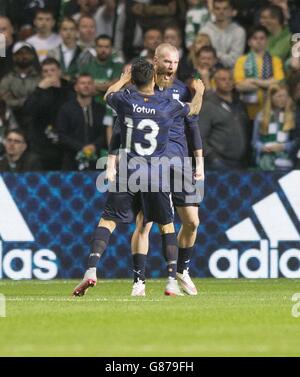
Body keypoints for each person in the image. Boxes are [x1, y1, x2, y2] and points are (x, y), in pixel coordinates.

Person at [72, 58, 205, 297]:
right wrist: (200, 93)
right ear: (153, 78)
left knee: (108, 222)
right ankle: (171, 281)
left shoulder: (125, 101)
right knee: (166, 225)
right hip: (156, 174)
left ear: (133, 80)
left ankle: (91, 269)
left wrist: (123, 79)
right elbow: (193, 110)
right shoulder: (167, 104)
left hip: (129, 172)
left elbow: (107, 95)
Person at [126, 44, 205, 297]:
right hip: (150, 164)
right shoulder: (140, 89)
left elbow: (192, 124)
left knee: (192, 222)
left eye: (175, 62)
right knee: (144, 222)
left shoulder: (181, 90)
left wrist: (199, 161)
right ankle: (139, 280)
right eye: (167, 62)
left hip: (180, 163)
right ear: (155, 61)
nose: (171, 67)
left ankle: (182, 270)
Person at [24, 57, 74, 170]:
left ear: (59, 72)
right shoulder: (38, 91)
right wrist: (39, 89)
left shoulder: (69, 89)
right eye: (45, 71)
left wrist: (59, 89)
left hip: (65, 145)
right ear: (41, 74)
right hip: (41, 145)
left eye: (52, 70)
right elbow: (27, 110)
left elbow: (72, 110)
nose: (49, 74)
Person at [199, 67, 250, 169]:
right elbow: (199, 137)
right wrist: (212, 158)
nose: (227, 82)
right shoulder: (208, 105)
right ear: (215, 82)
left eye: (230, 79)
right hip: (219, 163)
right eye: (223, 79)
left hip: (241, 163)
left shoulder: (240, 104)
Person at [234, 25, 285, 121]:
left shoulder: (275, 60)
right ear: (249, 42)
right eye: (255, 38)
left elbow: (278, 83)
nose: (259, 41)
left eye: (262, 38)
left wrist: (253, 80)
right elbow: (239, 86)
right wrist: (267, 83)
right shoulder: (241, 60)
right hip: (247, 109)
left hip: (271, 109)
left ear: (267, 41)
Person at [57, 73, 107, 170]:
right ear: (76, 87)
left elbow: (105, 133)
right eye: (83, 83)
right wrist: (81, 147)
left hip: (96, 160)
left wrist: (94, 146)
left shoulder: (101, 109)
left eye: (89, 83)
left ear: (93, 87)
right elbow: (61, 135)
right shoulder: (66, 109)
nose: (86, 86)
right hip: (71, 161)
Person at [252, 83, 296, 170]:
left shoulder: (292, 116)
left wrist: (283, 146)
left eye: (285, 96)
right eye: (279, 96)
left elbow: (296, 142)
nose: (283, 99)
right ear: (271, 98)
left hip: (286, 163)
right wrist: (262, 147)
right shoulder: (261, 116)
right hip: (264, 163)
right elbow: (254, 142)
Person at [0, 42, 40, 130]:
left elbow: (41, 100)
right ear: (14, 57)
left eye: (27, 53)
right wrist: (26, 101)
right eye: (20, 53)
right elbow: (6, 100)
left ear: (33, 56)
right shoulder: (7, 79)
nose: (24, 56)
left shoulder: (40, 78)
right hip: (13, 121)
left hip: (36, 120)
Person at [199, 0, 246, 68]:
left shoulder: (239, 31)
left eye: (225, 8)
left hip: (231, 74)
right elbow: (201, 57)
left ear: (231, 10)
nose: (221, 12)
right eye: (217, 8)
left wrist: (214, 54)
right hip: (207, 71)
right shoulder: (205, 31)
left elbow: (235, 60)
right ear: (213, 11)